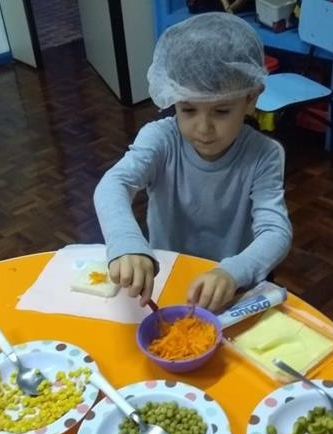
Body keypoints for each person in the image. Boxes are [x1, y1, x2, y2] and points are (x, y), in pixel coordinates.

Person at [93, 12, 292, 313]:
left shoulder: (264, 155)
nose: (203, 128)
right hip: (166, 279)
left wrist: (232, 272)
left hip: (231, 289)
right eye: (188, 110)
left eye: (221, 111)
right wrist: (126, 242)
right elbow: (113, 184)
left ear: (251, 98)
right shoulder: (161, 139)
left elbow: (275, 231)